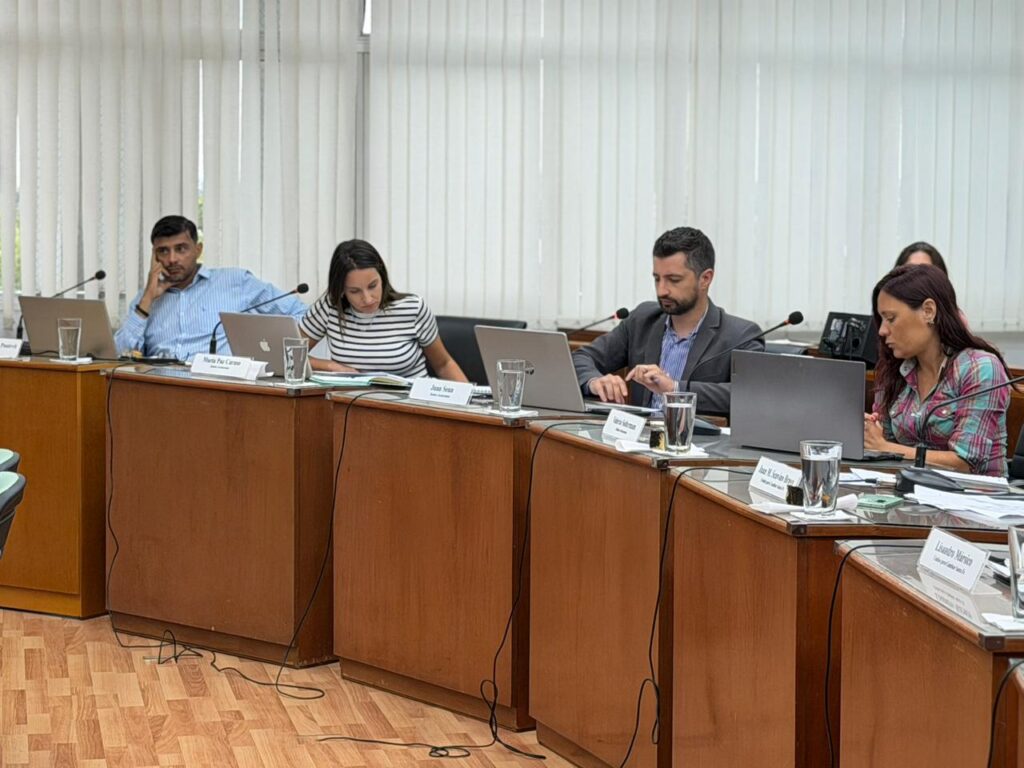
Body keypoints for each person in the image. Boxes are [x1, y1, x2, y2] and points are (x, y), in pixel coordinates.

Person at [572, 226, 763, 414]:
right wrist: (594, 382)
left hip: (696, 435)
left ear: (705, 279)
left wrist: (675, 388)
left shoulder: (741, 335)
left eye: (674, 280)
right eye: (657, 279)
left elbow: (750, 395)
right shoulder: (642, 320)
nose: (662, 290)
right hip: (638, 433)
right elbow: (580, 358)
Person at [865, 264, 1012, 476]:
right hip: (909, 491)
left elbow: (966, 462)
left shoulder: (980, 368)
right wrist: (870, 433)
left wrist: (886, 448)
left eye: (891, 318)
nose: (882, 330)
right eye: (881, 320)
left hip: (973, 493)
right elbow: (881, 443)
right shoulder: (894, 370)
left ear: (928, 311)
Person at [116, 215, 306, 361]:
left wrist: (266, 352)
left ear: (198, 250)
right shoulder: (145, 300)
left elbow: (300, 314)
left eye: (181, 249)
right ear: (154, 256)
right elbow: (118, 355)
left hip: (218, 388)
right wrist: (147, 299)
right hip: (159, 388)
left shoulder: (235, 281)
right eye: (163, 251)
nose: (172, 259)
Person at [300, 239, 467, 381]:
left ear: (382, 277)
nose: (367, 299)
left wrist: (472, 405)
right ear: (341, 291)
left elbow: (444, 364)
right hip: (353, 403)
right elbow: (289, 354)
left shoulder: (412, 309)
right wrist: (331, 366)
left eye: (372, 286)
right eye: (355, 291)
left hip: (411, 402)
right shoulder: (330, 307)